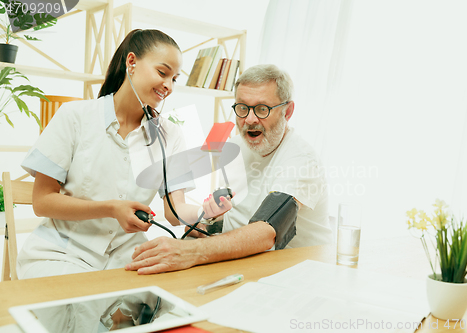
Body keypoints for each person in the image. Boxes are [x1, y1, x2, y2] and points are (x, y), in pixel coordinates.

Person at [17, 29, 231, 279]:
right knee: (83, 307)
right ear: (132, 62)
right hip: (62, 252)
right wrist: (111, 208)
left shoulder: (170, 135)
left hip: (126, 256)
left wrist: (205, 212)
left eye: (174, 79)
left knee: (169, 303)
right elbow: (42, 202)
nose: (168, 86)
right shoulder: (74, 116)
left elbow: (175, 212)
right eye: (163, 73)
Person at [126, 64, 332, 275]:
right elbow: (241, 217)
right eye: (242, 108)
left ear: (287, 111)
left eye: (262, 109)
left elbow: (267, 229)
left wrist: (192, 251)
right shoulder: (236, 147)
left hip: (300, 275)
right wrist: (206, 227)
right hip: (251, 268)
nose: (250, 119)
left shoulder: (301, 160)